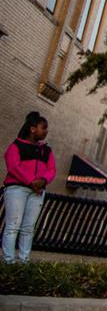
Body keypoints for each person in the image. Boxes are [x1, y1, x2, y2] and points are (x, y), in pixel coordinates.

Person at [3, 111, 55, 264]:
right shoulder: (16, 146)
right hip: (17, 189)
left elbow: (52, 169)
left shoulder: (46, 150)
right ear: (32, 129)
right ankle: (8, 261)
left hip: (37, 191)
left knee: (28, 228)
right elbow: (13, 167)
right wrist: (32, 181)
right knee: (13, 225)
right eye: (43, 128)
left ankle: (24, 261)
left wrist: (43, 181)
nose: (46, 131)